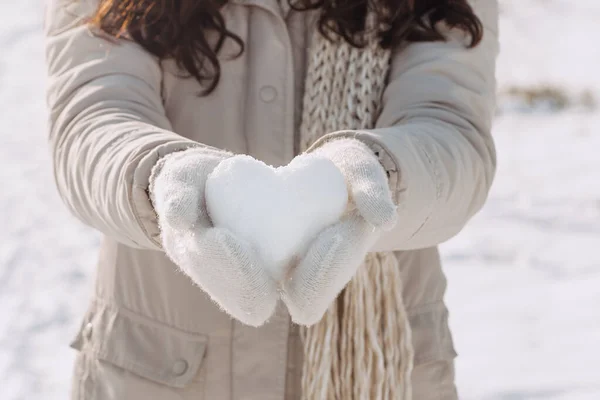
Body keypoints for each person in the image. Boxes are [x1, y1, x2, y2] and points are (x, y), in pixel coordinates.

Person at [45, 0, 498, 398]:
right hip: (160, 371)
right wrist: (159, 176)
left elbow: (450, 128)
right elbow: (93, 115)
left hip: (382, 369)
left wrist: (378, 171)